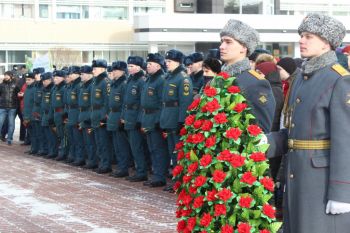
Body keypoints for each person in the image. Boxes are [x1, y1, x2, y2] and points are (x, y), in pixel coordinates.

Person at [267, 13, 350, 233]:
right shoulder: (300, 78)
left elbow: (346, 141)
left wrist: (342, 192)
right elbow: (294, 134)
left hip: (321, 183)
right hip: (297, 177)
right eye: (301, 35)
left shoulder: (339, 79)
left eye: (308, 36)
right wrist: (263, 143)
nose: (301, 40)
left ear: (326, 43)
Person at [220, 19, 275, 133]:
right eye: (222, 41)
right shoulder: (218, 79)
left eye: (228, 42)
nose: (222, 46)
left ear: (244, 48)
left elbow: (261, 130)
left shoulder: (255, 82)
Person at [160, 49, 193, 192]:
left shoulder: (182, 78)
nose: (166, 64)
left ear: (178, 62)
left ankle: (181, 182)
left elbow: (185, 102)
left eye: (170, 61)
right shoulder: (169, 77)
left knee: (179, 153)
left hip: (176, 119)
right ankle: (176, 180)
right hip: (168, 117)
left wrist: (182, 120)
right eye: (166, 61)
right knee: (172, 152)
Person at [141, 53, 169, 187]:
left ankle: (160, 176)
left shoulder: (161, 80)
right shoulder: (149, 79)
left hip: (155, 118)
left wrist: (159, 121)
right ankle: (156, 174)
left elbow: (161, 102)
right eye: (148, 64)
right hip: (148, 118)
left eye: (150, 64)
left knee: (158, 149)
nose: (148, 66)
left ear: (158, 65)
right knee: (152, 148)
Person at [122, 56, 148, 182]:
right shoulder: (130, 80)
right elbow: (125, 101)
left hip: (136, 117)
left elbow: (142, 103)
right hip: (129, 116)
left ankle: (142, 171)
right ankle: (139, 169)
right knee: (133, 146)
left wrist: (139, 120)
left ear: (138, 67)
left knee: (137, 146)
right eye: (129, 66)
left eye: (132, 66)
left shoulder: (141, 81)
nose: (129, 68)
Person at [107, 61, 132, 178]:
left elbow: (124, 103)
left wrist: (122, 118)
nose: (113, 72)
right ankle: (120, 166)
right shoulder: (114, 83)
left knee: (122, 145)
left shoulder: (124, 83)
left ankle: (124, 168)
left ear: (122, 71)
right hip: (113, 115)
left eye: (115, 70)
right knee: (116, 144)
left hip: (119, 116)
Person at [90, 59, 112, 174]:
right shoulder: (95, 81)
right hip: (95, 114)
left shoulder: (105, 81)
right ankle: (102, 162)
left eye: (95, 68)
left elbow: (107, 100)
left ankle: (106, 164)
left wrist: (104, 115)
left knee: (104, 142)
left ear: (103, 69)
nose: (93, 71)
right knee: (98, 141)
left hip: (101, 115)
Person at [78, 65, 98, 169]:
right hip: (83, 114)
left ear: (90, 75)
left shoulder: (92, 85)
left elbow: (92, 103)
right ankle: (90, 160)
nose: (80, 76)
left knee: (91, 142)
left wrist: (89, 117)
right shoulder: (84, 85)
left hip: (89, 115)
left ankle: (93, 161)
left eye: (83, 74)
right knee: (86, 141)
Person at [0, 71, 20, 145]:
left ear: (11, 76)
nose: (5, 77)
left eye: (7, 75)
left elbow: (19, 95)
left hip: (12, 108)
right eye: (5, 75)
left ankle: (9, 139)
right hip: (2, 107)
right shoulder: (1, 85)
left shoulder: (16, 85)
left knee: (11, 124)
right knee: (0, 123)